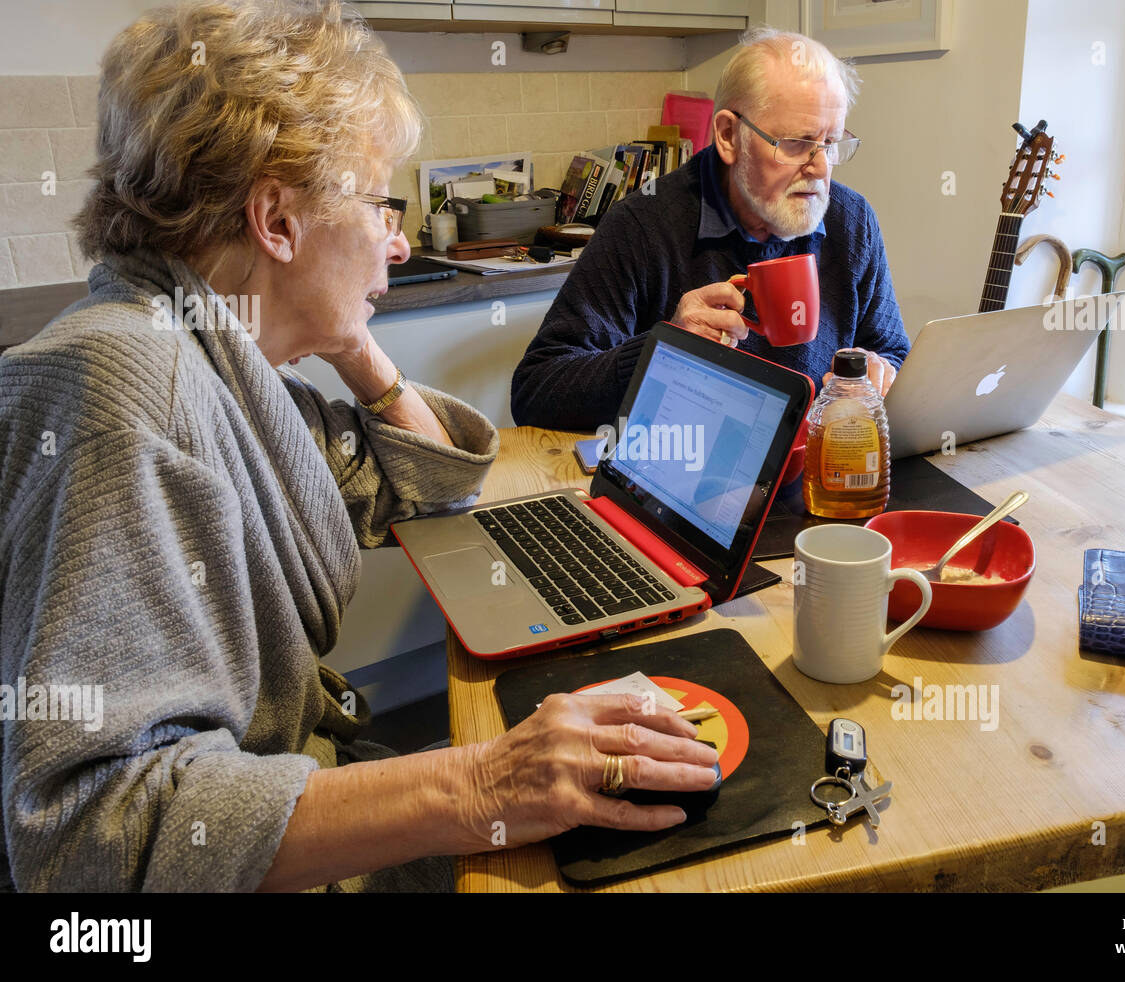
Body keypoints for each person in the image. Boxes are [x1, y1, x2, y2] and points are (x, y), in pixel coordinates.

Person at [0, 0, 717, 893]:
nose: (402, 239)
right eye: (382, 203)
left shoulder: (215, 355)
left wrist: (351, 340)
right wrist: (484, 779)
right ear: (276, 219)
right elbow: (87, 840)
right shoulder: (130, 391)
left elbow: (423, 489)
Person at [510, 27, 910, 432]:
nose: (821, 167)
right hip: (682, 476)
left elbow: (892, 352)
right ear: (728, 135)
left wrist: (880, 371)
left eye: (831, 142)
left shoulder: (851, 219)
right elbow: (536, 391)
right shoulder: (644, 224)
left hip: (814, 476)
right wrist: (662, 351)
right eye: (795, 144)